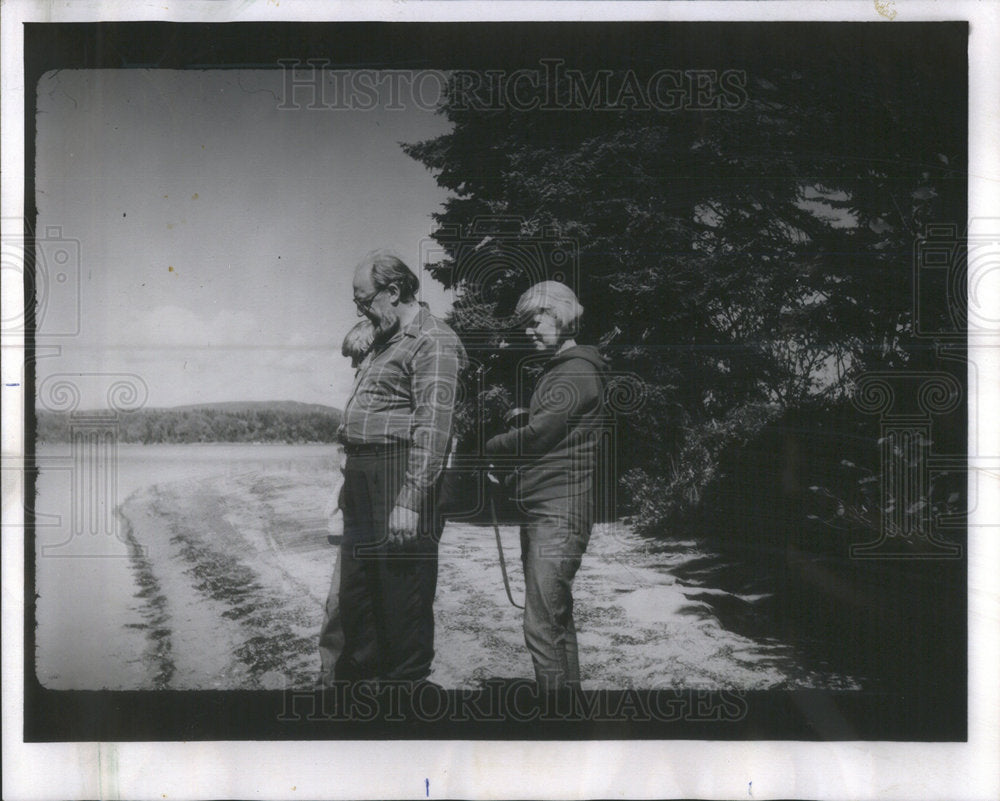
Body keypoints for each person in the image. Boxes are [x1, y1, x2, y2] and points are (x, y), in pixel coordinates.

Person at [333, 251, 466, 684]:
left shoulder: (434, 340)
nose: (361, 311)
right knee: (359, 600)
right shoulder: (385, 339)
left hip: (398, 474)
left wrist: (410, 500)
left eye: (365, 301)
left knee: (401, 602)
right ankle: (366, 710)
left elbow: (434, 426)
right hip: (362, 475)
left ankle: (406, 711)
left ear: (394, 291)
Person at [485, 281, 609, 692]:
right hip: (548, 510)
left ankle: (557, 725)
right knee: (555, 619)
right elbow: (548, 432)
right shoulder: (563, 370)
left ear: (559, 315)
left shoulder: (574, 370)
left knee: (540, 626)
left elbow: (538, 436)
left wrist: (493, 447)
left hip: (557, 512)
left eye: (534, 321)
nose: (527, 331)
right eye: (523, 325)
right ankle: (568, 716)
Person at [317, 319, 375, 688]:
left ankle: (347, 681)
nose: (355, 366)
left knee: (349, 605)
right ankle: (331, 679)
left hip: (372, 510)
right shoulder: (360, 394)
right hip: (353, 507)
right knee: (338, 604)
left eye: (359, 357)